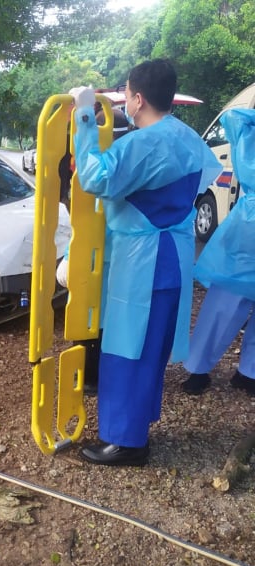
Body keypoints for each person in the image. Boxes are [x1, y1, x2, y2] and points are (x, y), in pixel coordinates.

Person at [69, 59, 221, 466]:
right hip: (174, 255)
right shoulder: (189, 138)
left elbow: (95, 178)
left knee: (126, 348)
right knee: (150, 348)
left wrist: (85, 113)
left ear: (136, 99)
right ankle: (137, 428)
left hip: (142, 262)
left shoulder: (140, 143)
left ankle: (126, 441)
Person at [181, 108, 255, 396]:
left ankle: (208, 372)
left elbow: (232, 117)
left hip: (246, 231)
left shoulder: (248, 136)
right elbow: (232, 115)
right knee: (222, 304)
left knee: (222, 305)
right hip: (247, 231)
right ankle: (238, 373)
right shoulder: (248, 132)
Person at [56, 108, 130, 393]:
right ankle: (98, 376)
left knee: (87, 317)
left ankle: (87, 377)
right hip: (117, 255)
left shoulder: (92, 164)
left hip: (94, 252)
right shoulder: (126, 161)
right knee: (108, 319)